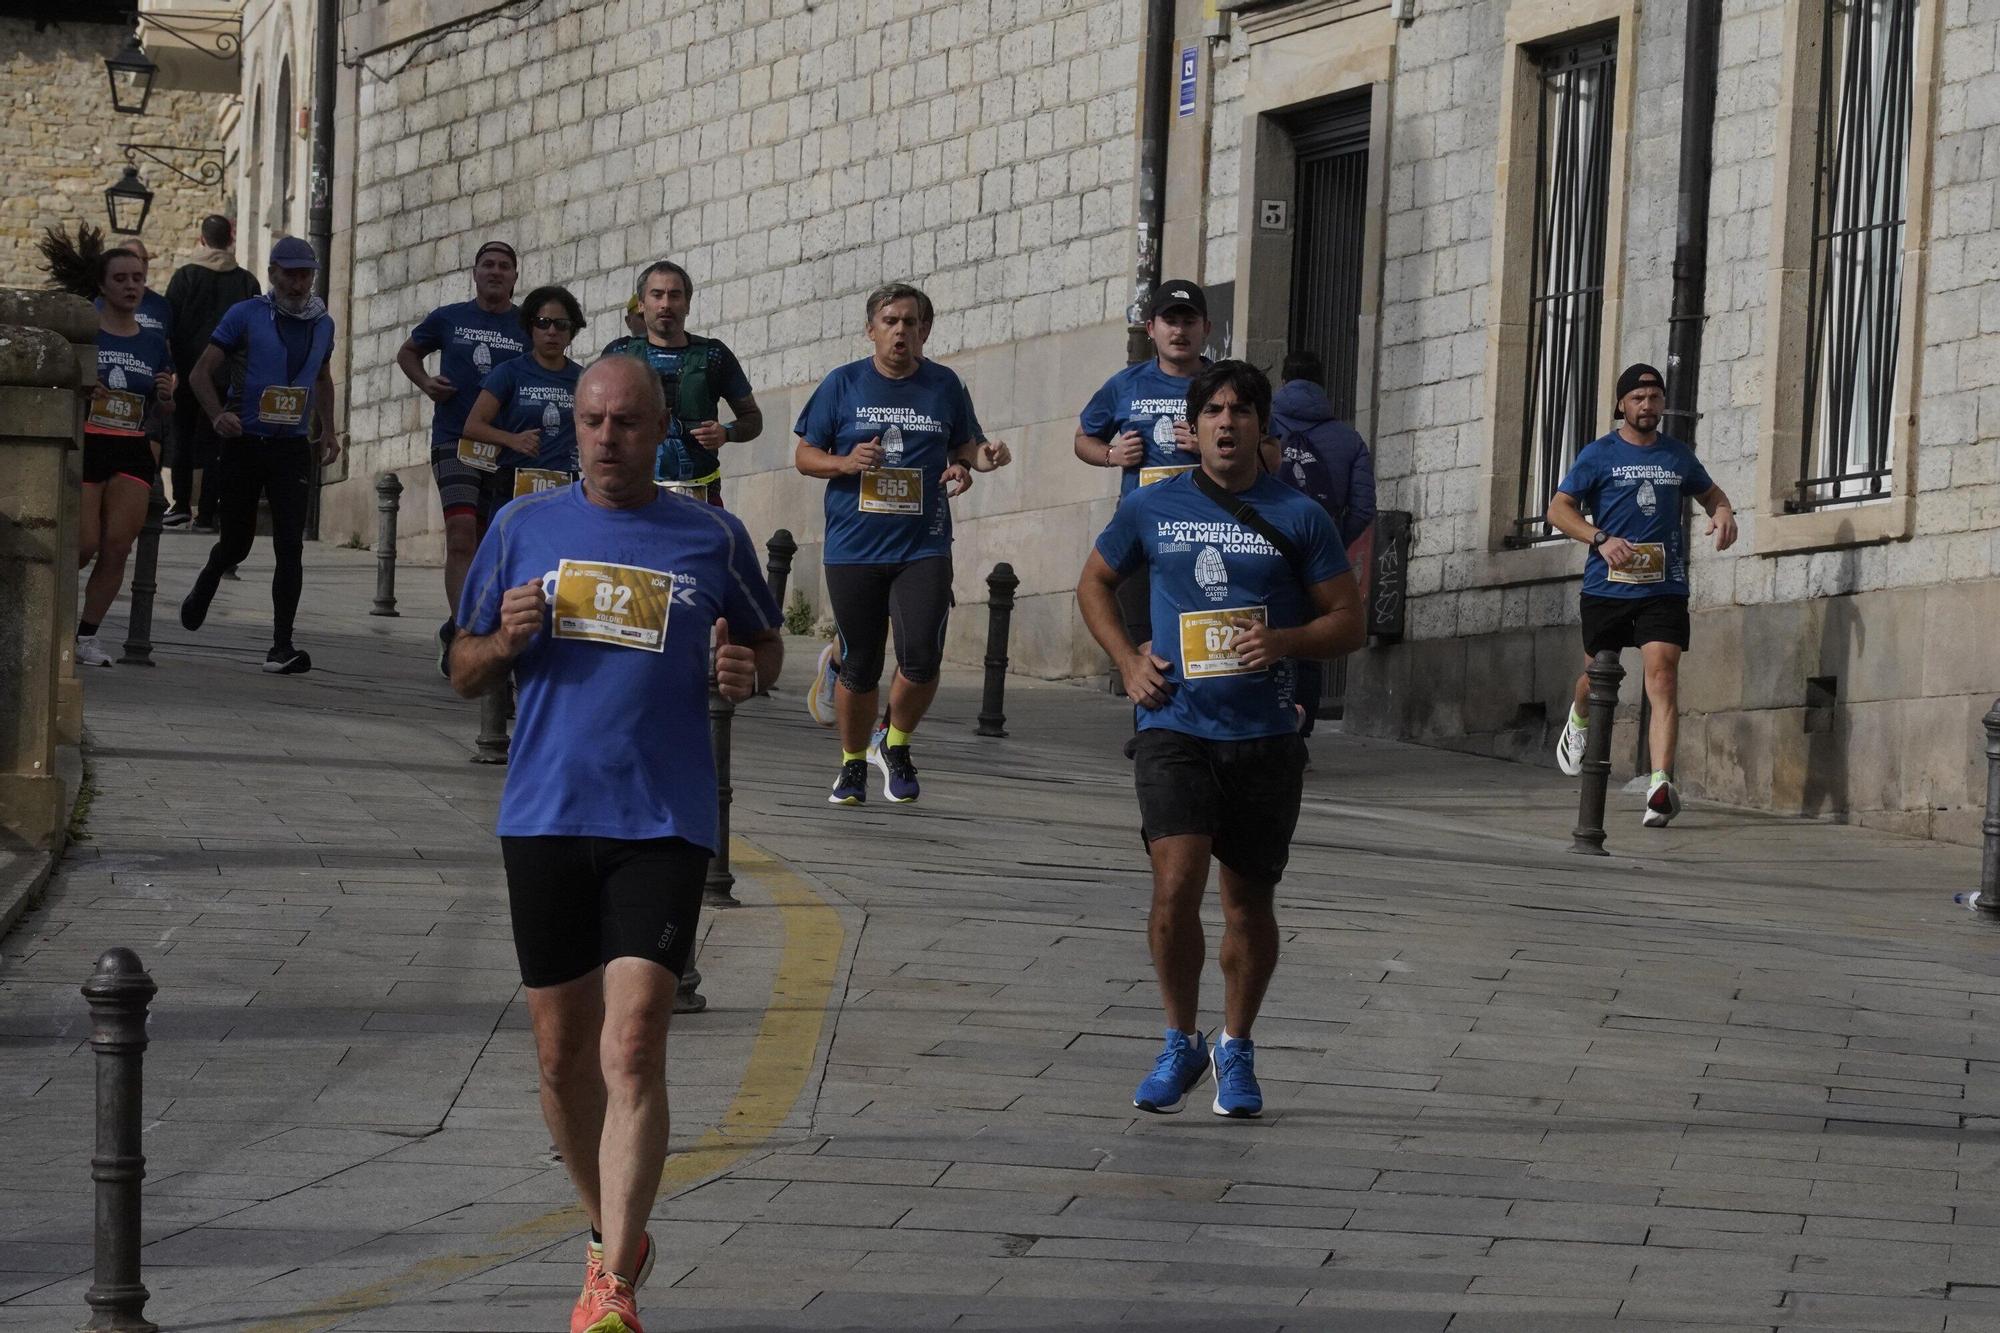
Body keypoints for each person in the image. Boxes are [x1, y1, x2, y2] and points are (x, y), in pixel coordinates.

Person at [448, 355, 783, 1333]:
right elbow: (460, 667)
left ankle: (612, 1292)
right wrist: (501, 644)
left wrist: (744, 670)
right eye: (591, 420)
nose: (605, 437)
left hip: (661, 819)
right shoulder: (521, 528)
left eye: (626, 422)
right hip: (544, 813)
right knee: (560, 1060)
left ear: (660, 429)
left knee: (632, 1043)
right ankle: (612, 1236)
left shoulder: (709, 535)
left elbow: (762, 649)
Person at [1076, 360, 1364, 1118]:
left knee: (1248, 907)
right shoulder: (1153, 506)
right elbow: (1093, 583)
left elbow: (1349, 619)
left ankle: (1235, 1045)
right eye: (1214, 410)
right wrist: (1130, 660)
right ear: (1194, 424)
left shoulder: (1301, 516)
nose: (1227, 422)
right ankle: (1179, 1038)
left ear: (1261, 427)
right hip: (1174, 723)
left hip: (1265, 734)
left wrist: (1286, 642)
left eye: (1241, 410)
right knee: (1175, 886)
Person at [794, 282, 1010, 805]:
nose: (900, 331)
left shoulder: (944, 385)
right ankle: (851, 765)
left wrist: (980, 459)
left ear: (925, 331)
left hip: (923, 544)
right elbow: (805, 455)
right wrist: (845, 463)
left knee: (922, 656)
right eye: (890, 321)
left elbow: (966, 448)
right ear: (871, 330)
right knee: (863, 663)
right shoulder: (843, 385)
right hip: (854, 547)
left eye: (910, 323)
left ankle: (895, 743)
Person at [1548, 363, 1736, 827]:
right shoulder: (1598, 454)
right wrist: (1599, 539)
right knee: (1596, 674)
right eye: (1638, 398)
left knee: (1663, 674)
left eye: (1654, 398)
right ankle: (1578, 719)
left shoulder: (1677, 456)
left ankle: (1660, 784)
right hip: (1606, 588)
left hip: (1663, 586)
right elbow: (1558, 510)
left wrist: (1725, 511)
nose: (1647, 406)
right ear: (1621, 405)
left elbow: (1711, 494)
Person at [178, 237, 342, 674]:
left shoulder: (323, 323)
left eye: (305, 273)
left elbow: (323, 378)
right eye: (289, 273)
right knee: (238, 543)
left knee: (291, 545)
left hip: (291, 448)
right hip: (244, 441)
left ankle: (281, 646)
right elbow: (198, 374)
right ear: (272, 273)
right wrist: (217, 417)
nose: (297, 282)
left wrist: (328, 428)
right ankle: (212, 574)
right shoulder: (245, 315)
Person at [39, 224, 176, 668]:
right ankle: (48, 619)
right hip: (88, 444)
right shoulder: (84, 333)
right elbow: (57, 386)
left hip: (132, 447)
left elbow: (162, 406)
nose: (131, 286)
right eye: (121, 279)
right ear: (101, 285)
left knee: (118, 547)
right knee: (81, 545)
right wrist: (82, 387)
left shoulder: (154, 342)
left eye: (137, 278)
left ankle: (85, 637)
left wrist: (167, 398)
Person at [395, 240, 527, 669]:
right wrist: (425, 383)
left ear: (514, 277)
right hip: (455, 439)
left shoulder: (528, 323)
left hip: (506, 447)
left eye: (504, 266)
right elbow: (408, 352)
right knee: (461, 535)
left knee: (492, 541)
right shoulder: (449, 318)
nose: (495, 271)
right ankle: (465, 633)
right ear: (474, 272)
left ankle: (458, 627)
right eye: (487, 264)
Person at [1075, 280, 1210, 657]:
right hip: (1142, 531)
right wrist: (1111, 455)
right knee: (1147, 647)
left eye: (1189, 321)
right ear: (1151, 329)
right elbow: (1082, 438)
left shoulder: (1221, 386)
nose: (1179, 331)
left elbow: (1265, 453)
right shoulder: (1125, 385)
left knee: (1198, 643)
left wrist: (1207, 448)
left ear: (1206, 329)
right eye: (1170, 321)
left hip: (1205, 529)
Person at [1266, 348, 1377, 735]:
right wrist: (1330, 541)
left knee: (1264, 635)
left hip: (1267, 549)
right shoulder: (1348, 439)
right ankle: (1301, 736)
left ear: (1282, 381)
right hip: (1317, 558)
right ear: (1322, 386)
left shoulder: (1261, 425)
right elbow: (1363, 508)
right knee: (1310, 645)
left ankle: (1267, 727)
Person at [599, 260, 761, 506]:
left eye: (675, 296)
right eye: (657, 295)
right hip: (632, 496)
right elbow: (591, 418)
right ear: (641, 304)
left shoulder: (714, 355)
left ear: (687, 305)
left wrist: (726, 433)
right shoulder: (619, 353)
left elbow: (753, 419)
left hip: (700, 495)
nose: (665, 304)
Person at [163, 215, 260, 530]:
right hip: (229, 374)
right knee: (217, 442)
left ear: (201, 240)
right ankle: (207, 512)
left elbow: (169, 324)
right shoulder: (246, 281)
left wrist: (172, 367)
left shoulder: (185, 277)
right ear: (230, 239)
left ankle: (179, 504)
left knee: (184, 436)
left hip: (189, 369)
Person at [462, 285, 585, 506]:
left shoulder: (584, 379)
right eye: (543, 323)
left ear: (571, 333)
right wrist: (512, 440)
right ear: (530, 328)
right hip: (515, 488)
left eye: (561, 325)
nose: (552, 332)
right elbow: (472, 426)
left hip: (566, 489)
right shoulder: (509, 372)